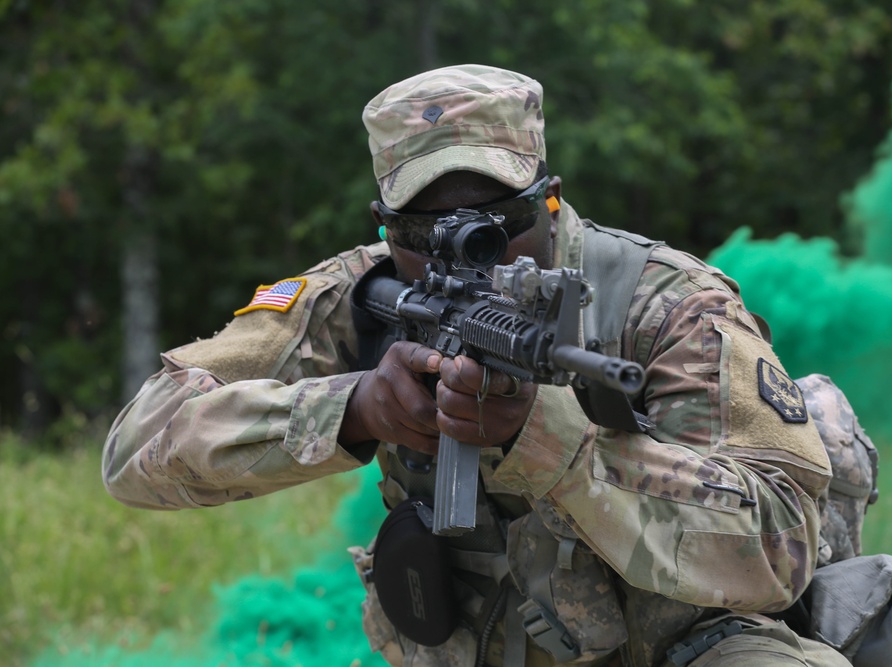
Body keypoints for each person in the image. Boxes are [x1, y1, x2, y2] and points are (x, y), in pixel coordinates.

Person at [103, 64, 851, 666]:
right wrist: (354, 407)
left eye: (503, 223)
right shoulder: (360, 294)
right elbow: (136, 447)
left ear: (551, 200)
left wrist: (554, 442)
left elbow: (780, 547)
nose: (463, 252)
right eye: (424, 229)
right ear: (383, 225)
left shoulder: (664, 305)